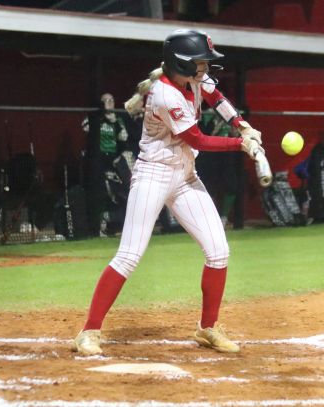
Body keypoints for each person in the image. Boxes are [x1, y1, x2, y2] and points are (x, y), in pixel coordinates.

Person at [73, 29, 263, 355]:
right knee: (129, 255)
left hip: (185, 175)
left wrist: (241, 124)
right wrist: (240, 144)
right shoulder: (165, 95)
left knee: (218, 252)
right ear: (182, 63)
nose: (205, 67)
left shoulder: (195, 79)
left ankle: (207, 328)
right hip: (154, 176)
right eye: (200, 62)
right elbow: (197, 139)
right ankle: (88, 331)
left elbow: (218, 98)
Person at [81, 92, 129, 236]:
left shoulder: (118, 120)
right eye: (105, 101)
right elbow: (84, 127)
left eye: (111, 100)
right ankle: (98, 226)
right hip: (97, 160)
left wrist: (114, 122)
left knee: (119, 191)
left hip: (112, 159)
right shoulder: (95, 118)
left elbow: (123, 137)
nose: (109, 103)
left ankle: (115, 223)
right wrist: (101, 118)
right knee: (100, 193)